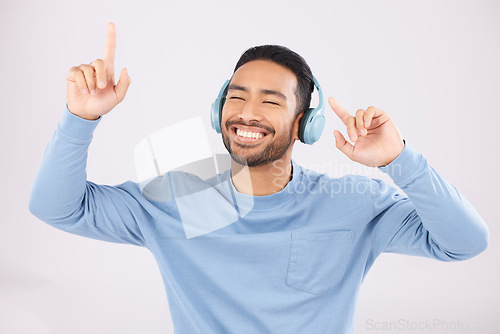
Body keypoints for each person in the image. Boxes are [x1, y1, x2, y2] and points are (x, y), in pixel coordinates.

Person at [28, 22, 489, 334]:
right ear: (218, 110)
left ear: (305, 123)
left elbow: (464, 242)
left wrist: (399, 160)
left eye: (271, 101)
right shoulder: (177, 198)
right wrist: (78, 119)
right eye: (236, 96)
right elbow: (57, 207)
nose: (247, 112)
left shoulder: (353, 201)